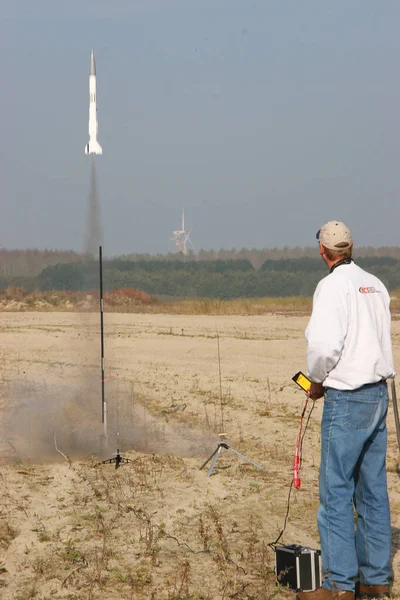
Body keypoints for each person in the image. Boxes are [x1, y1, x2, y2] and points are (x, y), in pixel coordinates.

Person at [297, 221, 394, 600]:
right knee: (373, 492)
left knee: (336, 492)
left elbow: (322, 347)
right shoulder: (375, 283)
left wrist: (315, 380)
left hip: (347, 397)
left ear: (323, 252)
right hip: (377, 395)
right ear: (350, 246)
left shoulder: (331, 286)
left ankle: (339, 585)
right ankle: (375, 580)